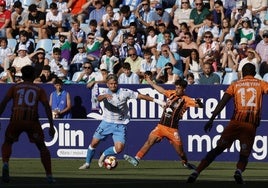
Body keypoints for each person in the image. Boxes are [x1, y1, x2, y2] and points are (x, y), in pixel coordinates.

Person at [186, 63, 268, 184]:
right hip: (250, 125)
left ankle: (196, 171)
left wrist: (211, 119)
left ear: (243, 73)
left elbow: (223, 102)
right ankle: (238, 171)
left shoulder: (235, 84)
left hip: (235, 123)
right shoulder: (261, 84)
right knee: (244, 154)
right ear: (255, 73)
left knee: (217, 149)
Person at [78, 74, 166, 170]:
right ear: (107, 84)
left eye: (115, 83)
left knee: (119, 149)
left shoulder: (125, 92)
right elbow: (98, 98)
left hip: (120, 124)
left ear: (117, 83)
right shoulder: (104, 92)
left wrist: (158, 101)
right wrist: (104, 96)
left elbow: (141, 96)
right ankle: (87, 163)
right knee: (94, 143)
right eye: (111, 84)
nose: (113, 85)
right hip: (106, 122)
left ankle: (104, 155)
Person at [123, 77, 204, 169]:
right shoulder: (172, 94)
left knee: (180, 153)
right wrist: (151, 82)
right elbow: (162, 91)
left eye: (178, 88)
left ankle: (185, 162)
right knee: (149, 141)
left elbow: (200, 106)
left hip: (172, 130)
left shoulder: (186, 99)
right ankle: (137, 158)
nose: (176, 89)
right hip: (161, 126)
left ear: (184, 89)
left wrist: (199, 103)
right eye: (176, 87)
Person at [0, 65, 56, 183]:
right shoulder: (39, 89)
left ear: (23, 75)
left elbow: (4, 103)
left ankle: (5, 163)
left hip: (16, 119)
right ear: (33, 75)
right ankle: (49, 175)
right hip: (32, 121)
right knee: (42, 147)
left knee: (8, 142)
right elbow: (46, 106)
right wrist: (51, 125)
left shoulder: (15, 88)